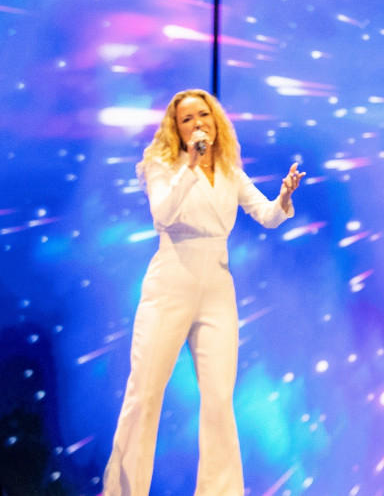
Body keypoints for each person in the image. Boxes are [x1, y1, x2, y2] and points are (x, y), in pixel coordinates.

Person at [104, 89, 304, 495]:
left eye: (204, 115)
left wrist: (284, 197)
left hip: (217, 288)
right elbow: (163, 215)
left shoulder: (230, 170)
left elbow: (267, 215)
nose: (198, 123)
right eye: (187, 119)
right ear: (176, 130)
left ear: (216, 121)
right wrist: (190, 166)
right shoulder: (162, 165)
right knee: (145, 394)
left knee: (218, 399)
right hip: (170, 283)